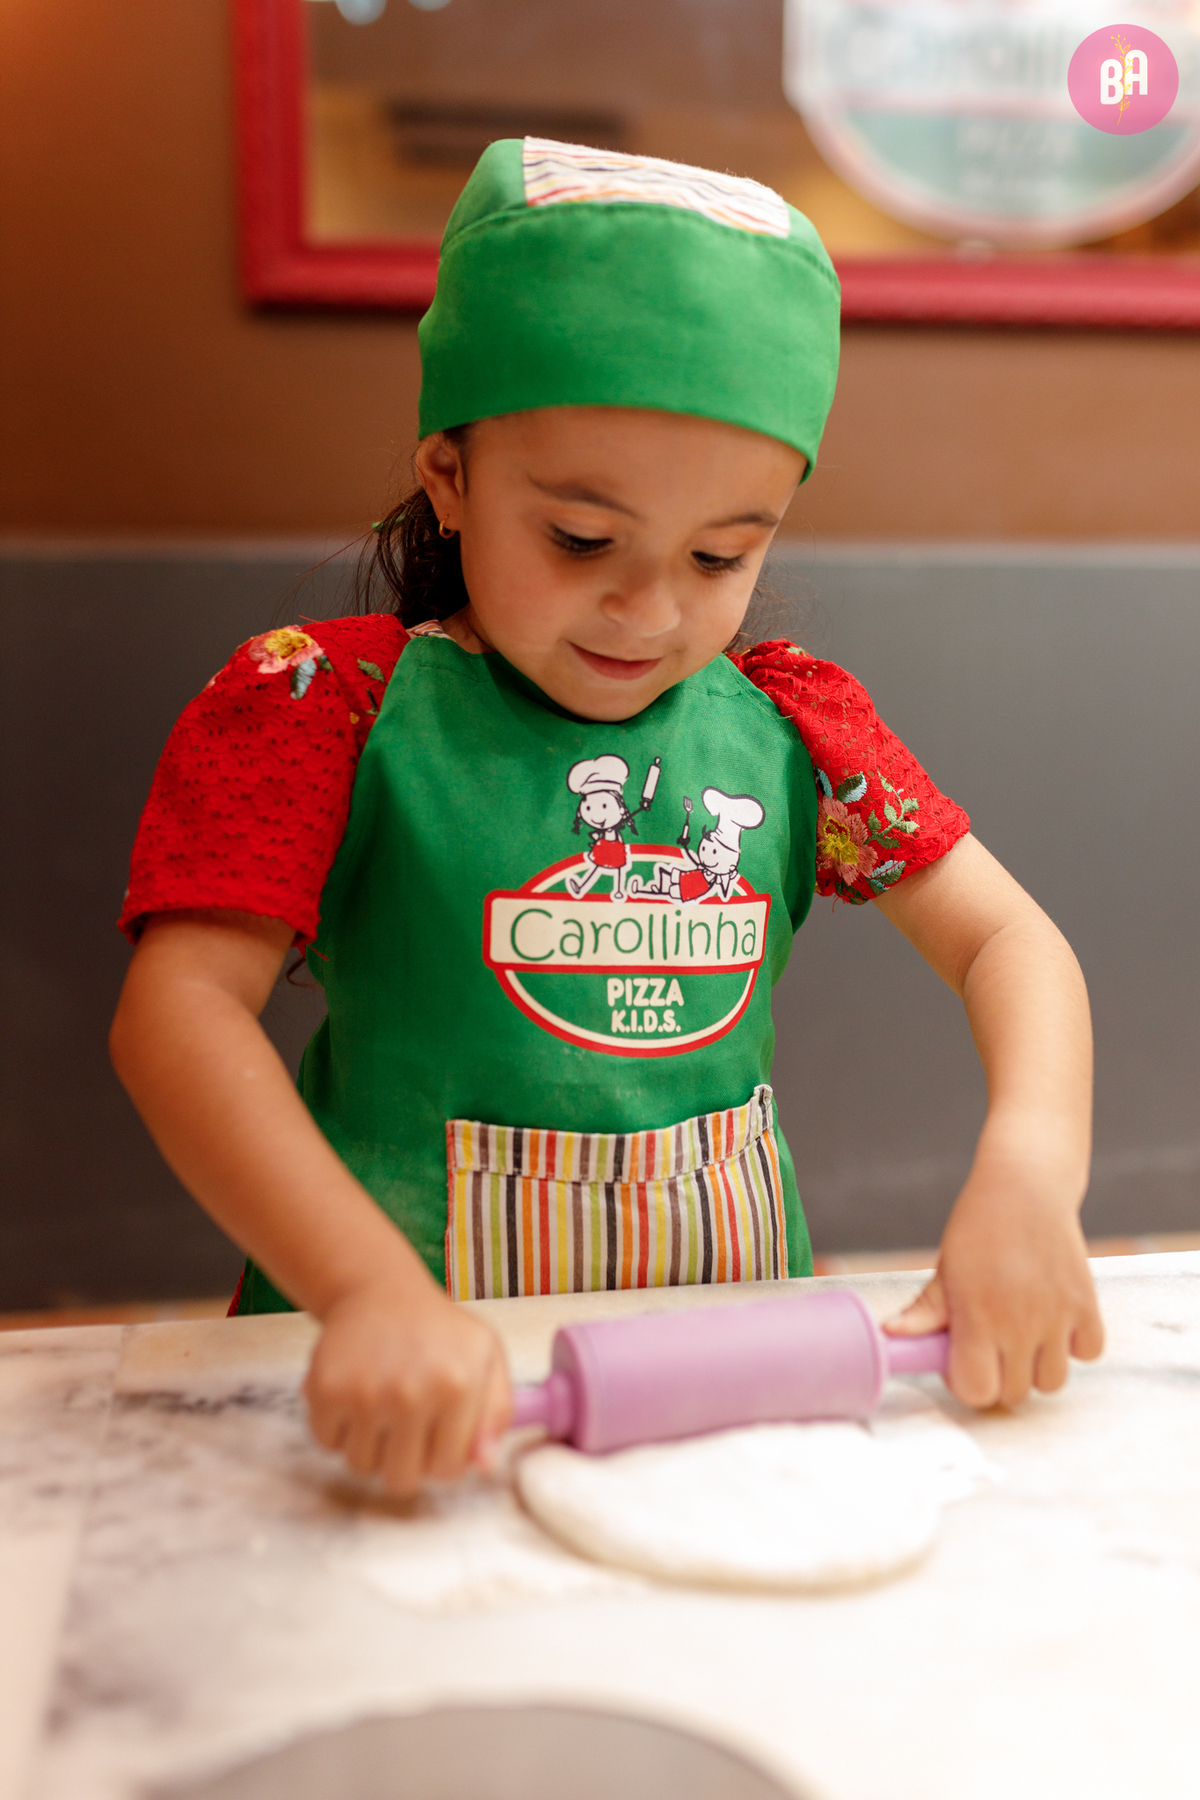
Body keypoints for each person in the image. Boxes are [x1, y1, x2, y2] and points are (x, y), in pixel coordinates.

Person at [110, 138, 1102, 1500]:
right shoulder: (323, 709)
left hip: (728, 1391)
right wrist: (363, 1293)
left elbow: (1011, 944)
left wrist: (1032, 1174)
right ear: (450, 476)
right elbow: (178, 1015)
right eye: (582, 541)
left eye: (721, 556)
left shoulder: (795, 728)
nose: (650, 612)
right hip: (409, 1405)